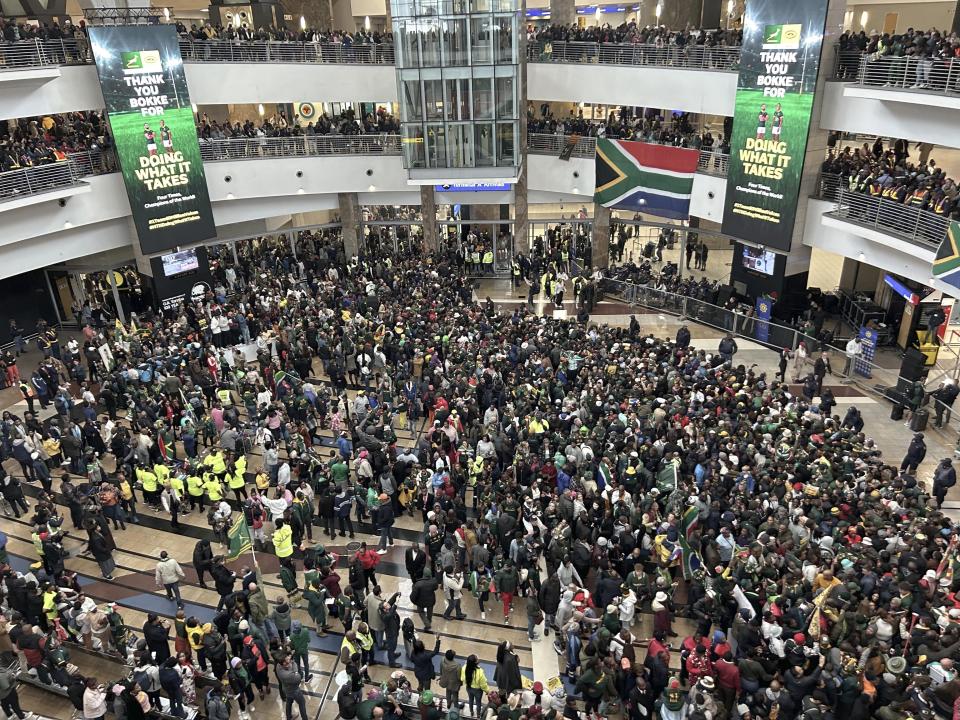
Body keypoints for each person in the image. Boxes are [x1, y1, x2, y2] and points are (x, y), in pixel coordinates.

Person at [276, 654, 309, 720]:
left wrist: (290, 662)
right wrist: (293, 664)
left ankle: (289, 717)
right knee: (302, 703)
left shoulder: (278, 665)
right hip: (294, 691)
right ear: (284, 663)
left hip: (286, 689)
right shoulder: (287, 675)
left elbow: (292, 670)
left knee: (289, 702)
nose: (289, 659)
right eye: (287, 659)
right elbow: (298, 678)